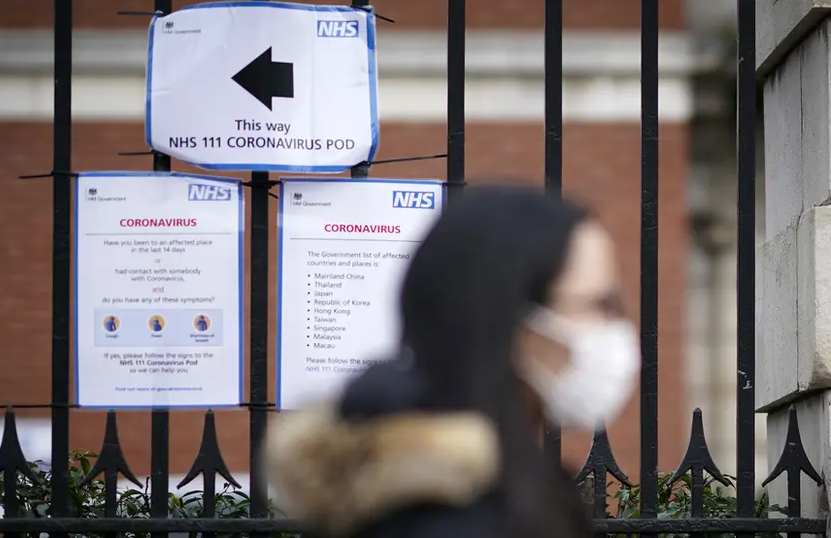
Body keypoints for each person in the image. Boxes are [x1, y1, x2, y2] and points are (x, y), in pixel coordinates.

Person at [264, 185, 640, 538]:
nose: (615, 329)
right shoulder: (449, 519)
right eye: (598, 304)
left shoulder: (514, 485)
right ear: (511, 320)